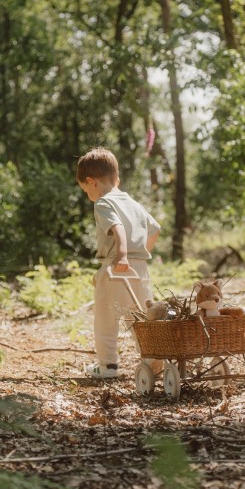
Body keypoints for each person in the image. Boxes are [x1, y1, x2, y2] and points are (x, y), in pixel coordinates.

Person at [76, 147, 161, 379]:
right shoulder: (133, 203)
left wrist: (123, 255)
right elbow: (155, 229)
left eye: (85, 190)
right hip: (140, 269)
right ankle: (153, 358)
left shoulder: (103, 203)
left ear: (91, 182)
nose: (88, 195)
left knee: (105, 320)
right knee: (140, 318)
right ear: (117, 177)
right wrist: (138, 254)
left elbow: (117, 228)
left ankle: (108, 367)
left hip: (115, 266)